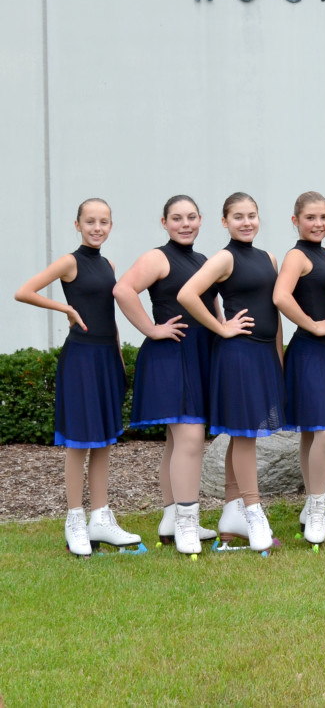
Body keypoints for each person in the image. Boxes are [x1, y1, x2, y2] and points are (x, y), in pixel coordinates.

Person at [15, 198, 142, 556]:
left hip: (106, 358)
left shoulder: (109, 265)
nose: (97, 227)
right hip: (81, 358)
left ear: (111, 226)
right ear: (78, 225)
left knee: (103, 439)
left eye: (104, 222)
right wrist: (66, 308)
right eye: (90, 221)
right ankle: (74, 520)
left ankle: (100, 518)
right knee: (79, 442)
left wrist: (118, 358)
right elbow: (23, 291)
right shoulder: (70, 262)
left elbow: (110, 317)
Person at [178, 192, 285, 553]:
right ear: (225, 222)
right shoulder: (224, 258)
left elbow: (276, 312)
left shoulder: (268, 258)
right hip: (238, 355)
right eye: (237, 216)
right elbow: (188, 294)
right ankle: (253, 512)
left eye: (252, 215)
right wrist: (221, 327)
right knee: (245, 435)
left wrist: (278, 356)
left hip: (263, 356)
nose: (246, 222)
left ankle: (231, 513)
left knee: (243, 435)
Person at [113, 195, 219, 554]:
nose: (185, 224)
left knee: (180, 443)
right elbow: (122, 289)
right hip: (172, 355)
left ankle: (173, 518)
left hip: (200, 354)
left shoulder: (204, 260)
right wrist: (151, 328)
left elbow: (212, 305)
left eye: (191, 217)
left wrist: (222, 331)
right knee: (189, 439)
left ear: (201, 220)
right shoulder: (158, 257)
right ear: (164, 223)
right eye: (177, 218)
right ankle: (186, 524)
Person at [273, 191, 325, 544]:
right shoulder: (296, 255)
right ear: (295, 221)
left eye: (323, 217)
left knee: (311, 432)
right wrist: (313, 324)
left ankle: (312, 505)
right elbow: (280, 297)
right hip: (309, 352)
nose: (318, 224)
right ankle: (318, 508)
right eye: (310, 218)